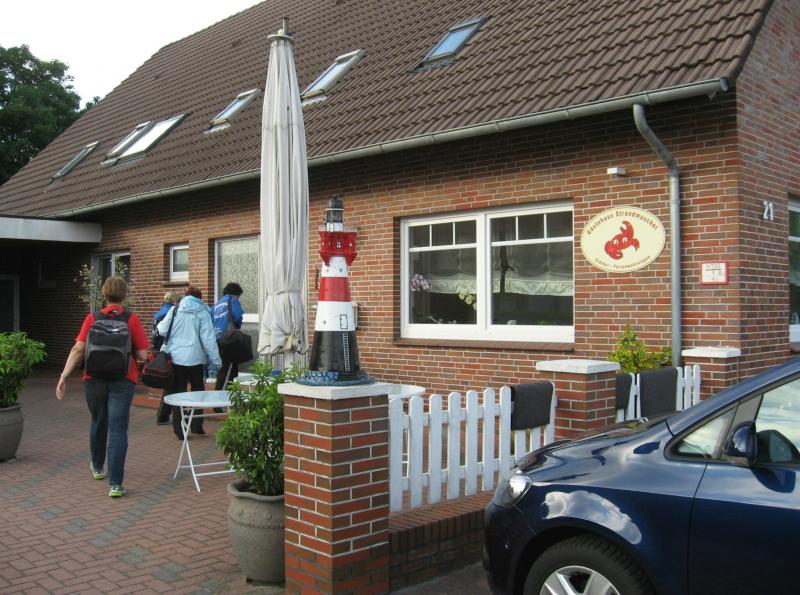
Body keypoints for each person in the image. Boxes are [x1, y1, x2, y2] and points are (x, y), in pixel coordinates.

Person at [56, 276, 148, 498]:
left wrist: (63, 376)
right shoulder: (131, 319)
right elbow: (143, 355)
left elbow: (78, 349)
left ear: (104, 294)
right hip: (123, 381)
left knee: (98, 421)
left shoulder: (92, 318)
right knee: (118, 430)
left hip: (93, 379)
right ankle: (115, 485)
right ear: (124, 295)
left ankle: (97, 468)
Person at [158, 285, 221, 439]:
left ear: (185, 296)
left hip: (176, 358)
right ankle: (197, 425)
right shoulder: (203, 312)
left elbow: (162, 330)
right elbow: (208, 339)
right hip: (196, 359)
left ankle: (180, 430)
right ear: (199, 298)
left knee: (178, 393)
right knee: (198, 391)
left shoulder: (175, 310)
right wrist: (217, 361)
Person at [152, 291, 180, 425]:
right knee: (171, 383)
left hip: (159, 350)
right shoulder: (170, 312)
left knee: (169, 382)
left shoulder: (158, 313)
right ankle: (163, 415)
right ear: (175, 301)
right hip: (168, 351)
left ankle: (163, 414)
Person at [212, 282, 245, 392]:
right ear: (236, 294)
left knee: (222, 370)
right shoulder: (232, 300)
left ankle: (221, 396)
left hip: (217, 340)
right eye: (239, 296)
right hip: (228, 340)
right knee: (230, 372)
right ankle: (223, 397)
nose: (239, 299)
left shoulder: (216, 305)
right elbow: (238, 316)